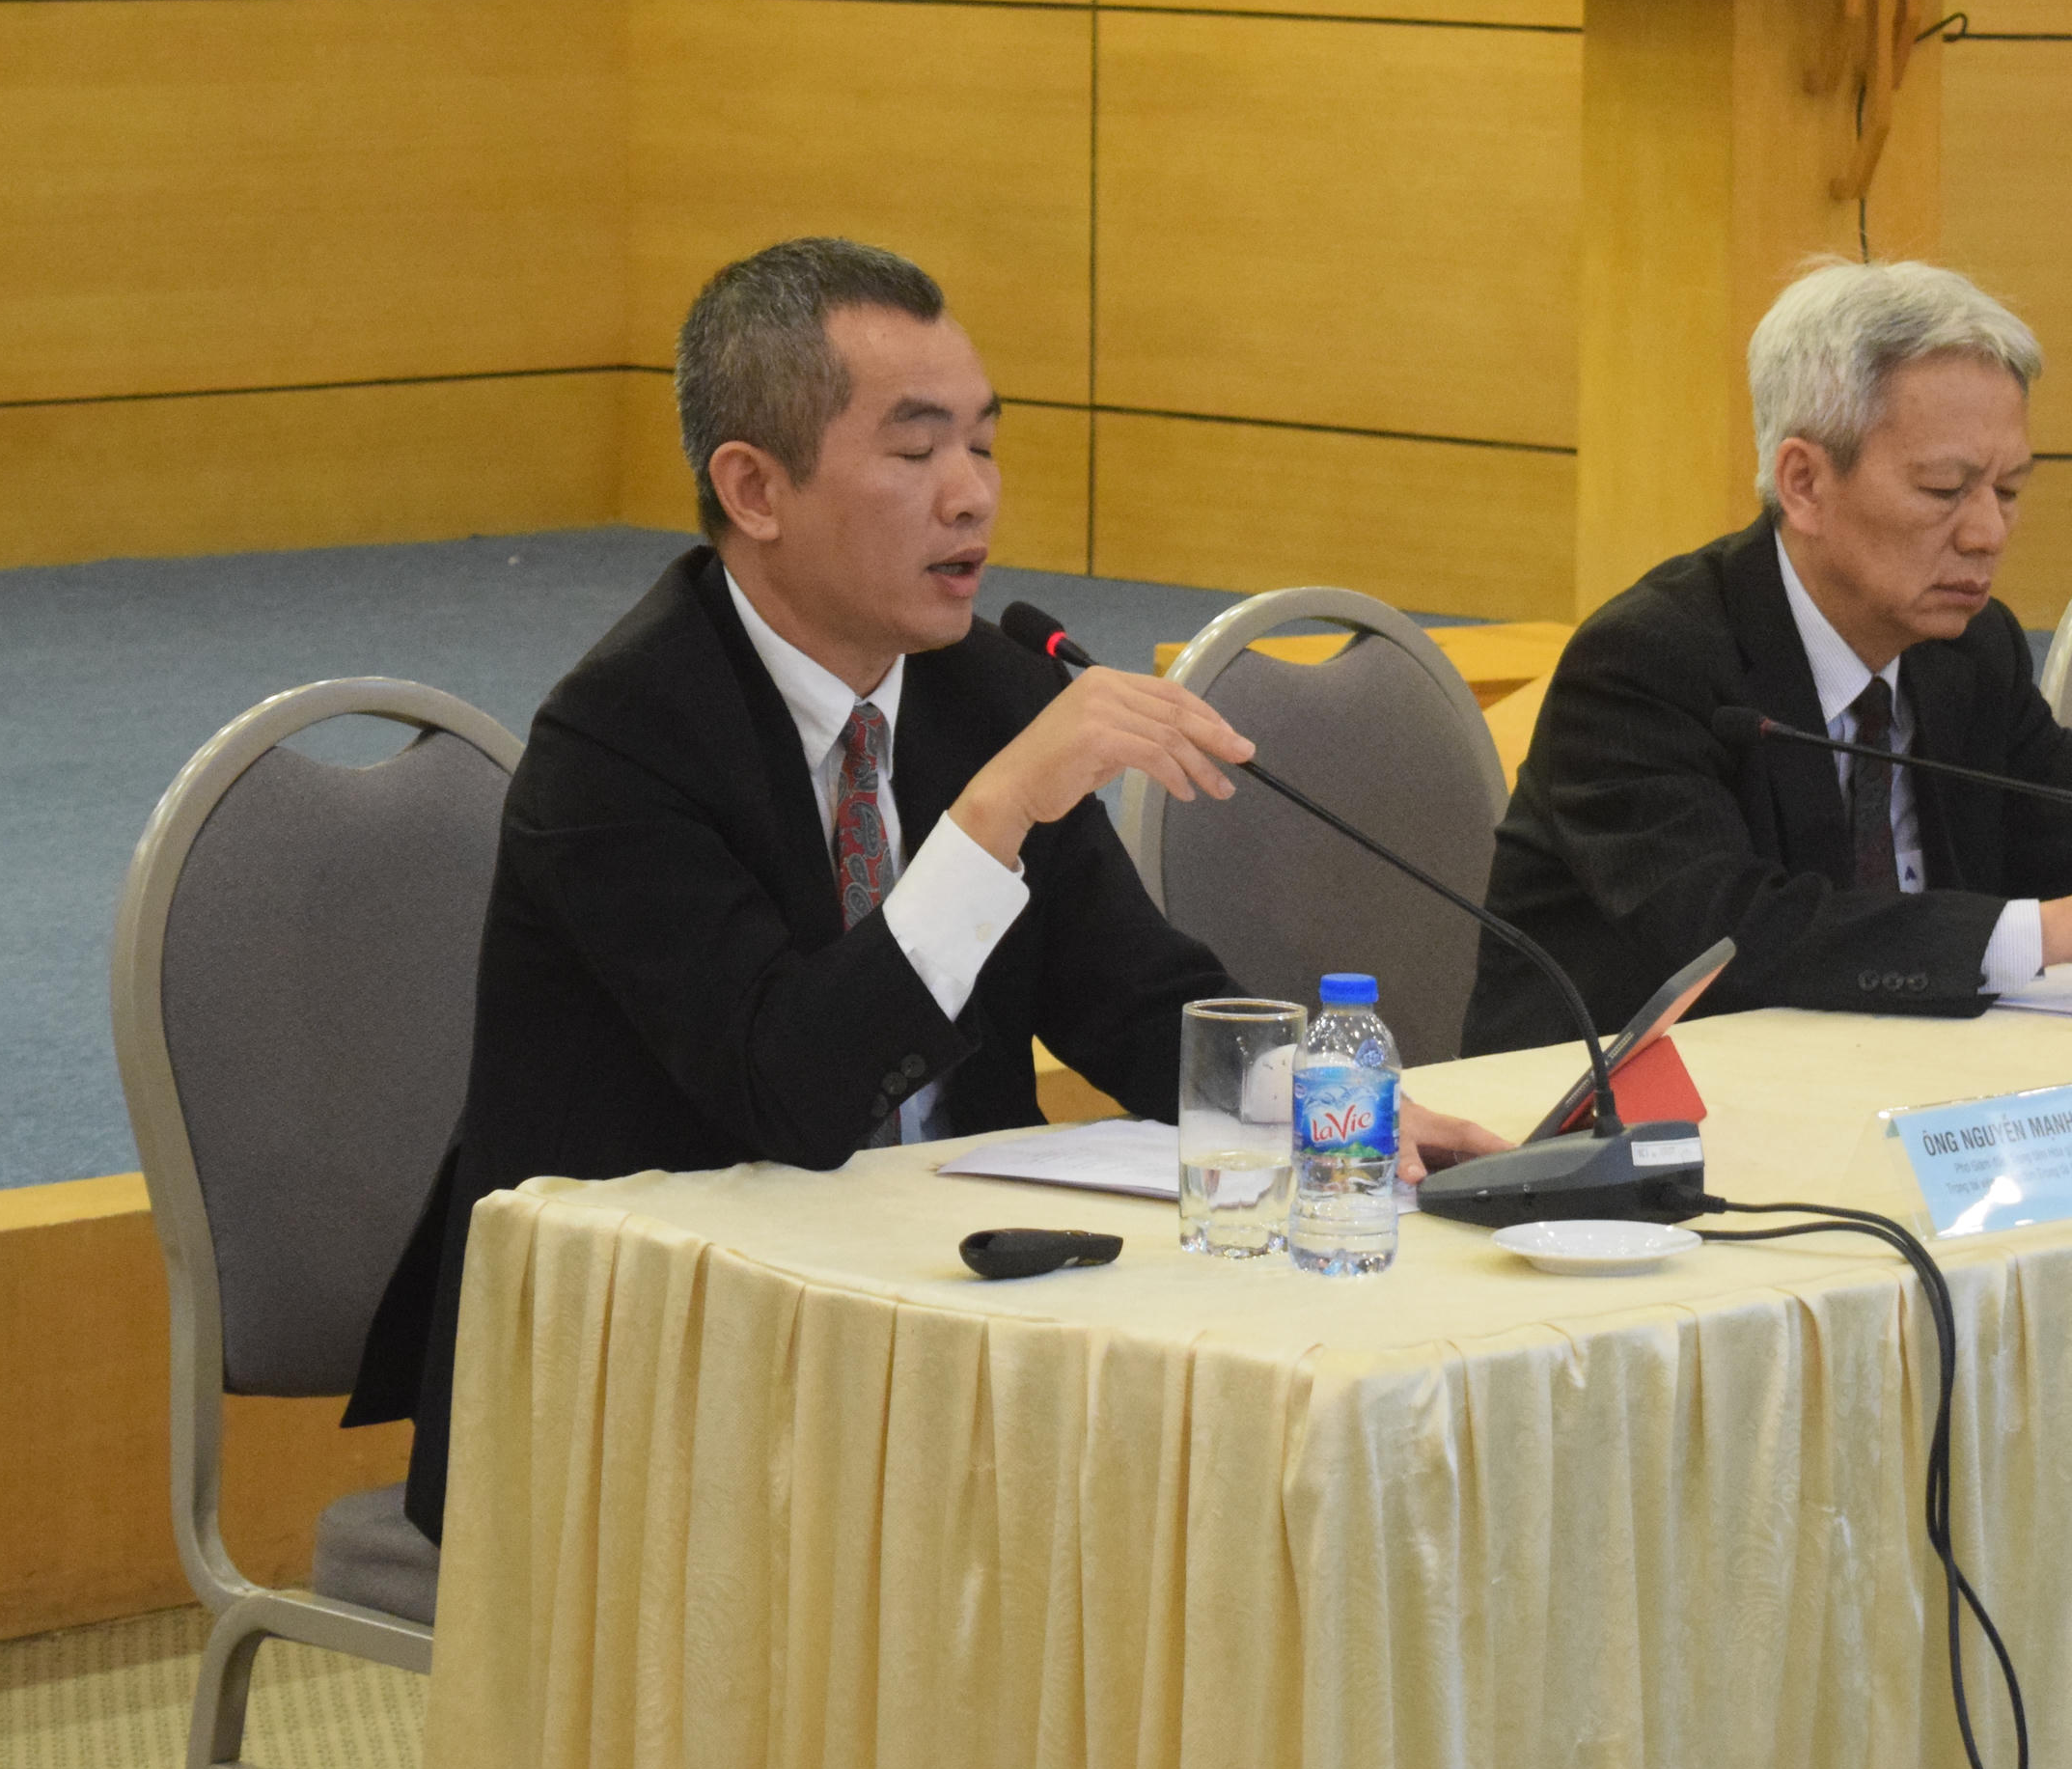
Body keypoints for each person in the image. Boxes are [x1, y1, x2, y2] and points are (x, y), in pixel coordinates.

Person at [346, 239, 1504, 1536]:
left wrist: (1328, 1108)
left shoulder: (985, 691)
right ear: (753, 487)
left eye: (985, 445)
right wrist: (991, 818)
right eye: (915, 451)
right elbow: (790, 1090)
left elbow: (1130, 992)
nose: (972, 497)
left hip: (946, 1322)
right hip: (648, 1379)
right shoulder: (620, 740)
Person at [1464, 260, 2072, 1054]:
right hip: (1625, 1120)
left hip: (1893, 1091)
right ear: (1804, 483)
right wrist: (2053, 931)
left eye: (2007, 491)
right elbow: (1734, 937)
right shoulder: (1648, 662)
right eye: (1943, 491)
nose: (1987, 533)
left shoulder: (1969, 652)